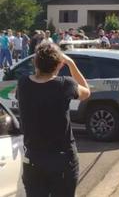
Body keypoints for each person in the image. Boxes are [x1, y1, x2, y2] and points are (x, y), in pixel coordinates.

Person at [17, 42, 91, 197]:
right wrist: (71, 63)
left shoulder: (23, 83)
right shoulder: (65, 84)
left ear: (35, 62)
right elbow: (86, 93)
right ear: (59, 64)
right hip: (62, 159)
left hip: (33, 158)